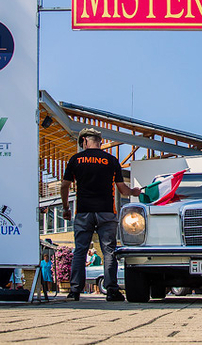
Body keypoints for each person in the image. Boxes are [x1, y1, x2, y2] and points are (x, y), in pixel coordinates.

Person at [61, 128, 141, 302]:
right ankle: (112, 290)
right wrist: (134, 191)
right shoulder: (111, 160)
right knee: (109, 252)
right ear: (100, 141)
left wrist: (66, 208)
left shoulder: (75, 160)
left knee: (80, 251)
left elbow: (64, 185)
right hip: (107, 212)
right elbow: (122, 189)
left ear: (84, 141)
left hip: (83, 211)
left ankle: (74, 291)